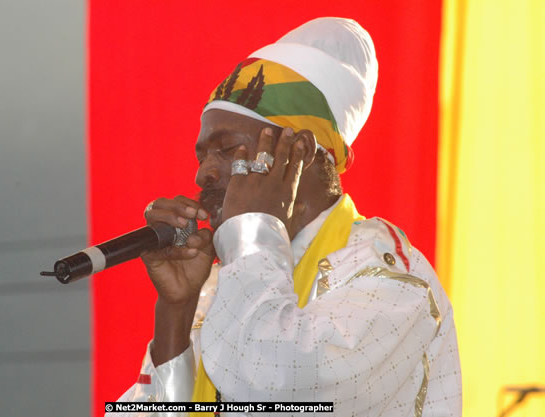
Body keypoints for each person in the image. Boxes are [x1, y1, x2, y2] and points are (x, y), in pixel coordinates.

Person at [110, 17, 461, 417]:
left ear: (300, 153)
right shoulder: (220, 287)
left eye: (226, 149)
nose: (203, 173)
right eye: (202, 155)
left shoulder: (389, 276)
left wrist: (251, 231)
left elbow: (277, 391)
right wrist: (176, 311)